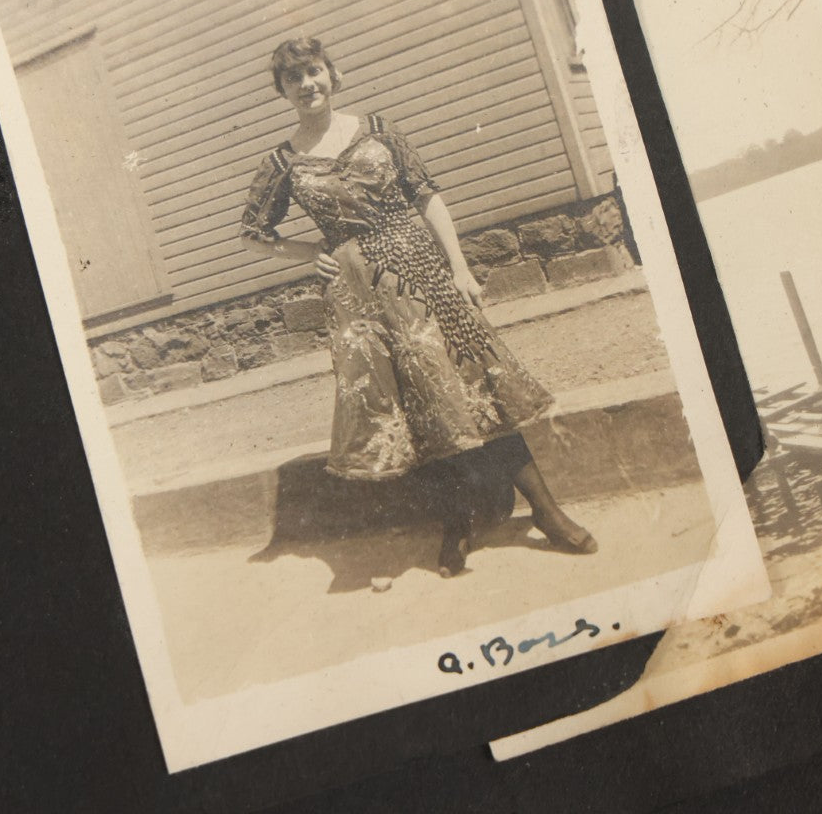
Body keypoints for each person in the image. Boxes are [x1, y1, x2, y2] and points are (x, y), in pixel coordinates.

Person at [240, 35, 596, 576]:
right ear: (283, 90)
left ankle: (546, 512)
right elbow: (252, 233)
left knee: (476, 389)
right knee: (412, 411)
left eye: (314, 72)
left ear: (332, 75)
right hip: (357, 298)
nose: (307, 85)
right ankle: (455, 524)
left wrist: (460, 268)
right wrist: (309, 251)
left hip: (420, 272)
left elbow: (427, 196)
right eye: (294, 79)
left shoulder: (379, 131)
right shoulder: (284, 162)